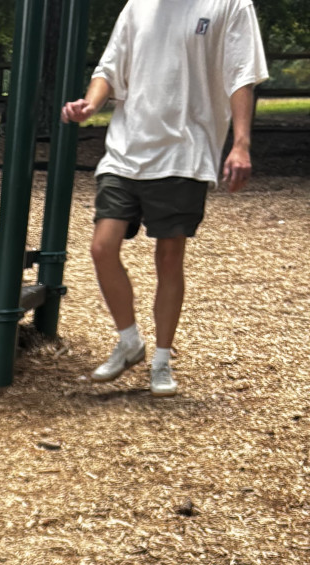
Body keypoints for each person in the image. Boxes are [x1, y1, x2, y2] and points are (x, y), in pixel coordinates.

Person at [63, 0, 267, 397]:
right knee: (102, 248)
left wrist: (241, 144)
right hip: (125, 150)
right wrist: (91, 103)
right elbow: (110, 68)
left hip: (183, 154)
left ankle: (161, 360)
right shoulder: (137, 6)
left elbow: (242, 76)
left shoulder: (230, 5)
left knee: (170, 259)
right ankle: (129, 342)